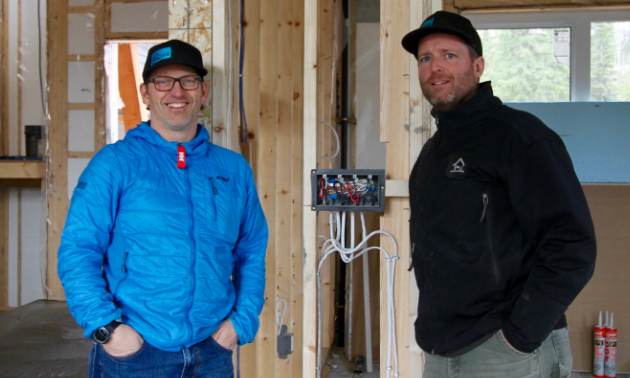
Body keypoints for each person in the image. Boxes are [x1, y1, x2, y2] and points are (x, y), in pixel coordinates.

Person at [401, 11, 596, 377]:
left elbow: (572, 246)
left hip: (504, 352)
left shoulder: (519, 138)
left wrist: (519, 336)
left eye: (449, 55)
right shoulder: (432, 152)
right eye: (425, 59)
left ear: (478, 66)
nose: (435, 67)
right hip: (439, 349)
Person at [58, 40, 268, 378]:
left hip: (211, 352)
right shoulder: (114, 164)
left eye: (188, 80)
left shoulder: (233, 169)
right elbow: (78, 251)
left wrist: (239, 324)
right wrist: (106, 328)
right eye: (163, 81)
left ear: (203, 91)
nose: (176, 91)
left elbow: (252, 251)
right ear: (145, 93)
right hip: (134, 352)